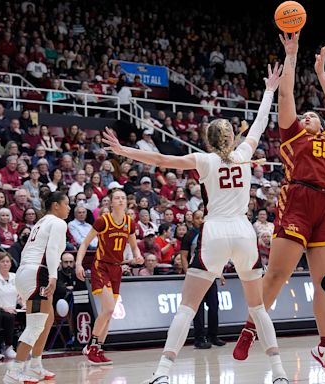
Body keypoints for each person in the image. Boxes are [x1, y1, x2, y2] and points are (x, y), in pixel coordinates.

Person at [102, 63, 289, 384]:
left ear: (208, 139)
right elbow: (259, 125)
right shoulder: (244, 153)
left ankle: (162, 373)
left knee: (187, 308)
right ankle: (280, 373)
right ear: (230, 137)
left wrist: (123, 150)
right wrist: (270, 90)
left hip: (215, 232)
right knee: (257, 308)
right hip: (244, 233)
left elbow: (160, 159)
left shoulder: (203, 160)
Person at [233, 33, 325, 379]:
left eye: (314, 115)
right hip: (298, 200)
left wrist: (322, 72)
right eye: (306, 114)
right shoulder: (292, 134)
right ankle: (250, 329)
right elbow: (286, 94)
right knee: (278, 276)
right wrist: (292, 54)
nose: (310, 116)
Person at [3, 191, 70, 383]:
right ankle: (14, 371)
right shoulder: (58, 222)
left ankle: (35, 365)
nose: (69, 208)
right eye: (66, 204)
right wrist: (52, 276)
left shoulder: (40, 223)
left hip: (26, 272)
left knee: (47, 321)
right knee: (36, 325)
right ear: (56, 205)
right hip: (38, 272)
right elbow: (51, 250)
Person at [75, 189, 144, 365]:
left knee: (110, 312)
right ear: (111, 203)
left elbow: (134, 246)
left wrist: (138, 256)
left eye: (123, 198)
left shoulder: (130, 222)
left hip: (117, 269)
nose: (121, 201)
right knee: (107, 309)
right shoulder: (102, 221)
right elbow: (84, 243)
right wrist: (78, 264)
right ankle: (90, 346)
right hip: (101, 267)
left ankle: (98, 348)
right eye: (117, 198)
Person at [181, 225, 227, 349]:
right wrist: (187, 274)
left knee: (214, 306)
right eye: (197, 217)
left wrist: (220, 273)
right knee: (198, 309)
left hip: (211, 274)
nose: (201, 220)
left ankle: (213, 336)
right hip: (196, 274)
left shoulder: (212, 236)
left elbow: (215, 257)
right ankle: (199, 338)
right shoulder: (190, 235)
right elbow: (183, 256)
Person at [0, 254, 19, 360]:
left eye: (8, 261)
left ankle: (27, 346)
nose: (5, 264)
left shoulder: (15, 277)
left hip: (14, 308)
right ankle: (7, 347)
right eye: (3, 262)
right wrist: (4, 308)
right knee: (8, 316)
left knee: (32, 312)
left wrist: (24, 304)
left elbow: (19, 295)